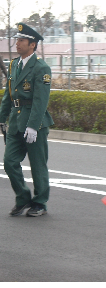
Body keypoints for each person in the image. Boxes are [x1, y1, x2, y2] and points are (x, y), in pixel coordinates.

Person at [0, 23, 54, 217]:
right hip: (15, 121)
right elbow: (9, 94)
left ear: (32, 44)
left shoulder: (41, 67)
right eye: (17, 40)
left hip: (35, 123)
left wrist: (33, 126)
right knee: (9, 162)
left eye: (21, 40)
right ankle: (23, 198)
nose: (17, 43)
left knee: (38, 165)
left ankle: (40, 203)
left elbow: (41, 100)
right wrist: (1, 117)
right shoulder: (14, 64)